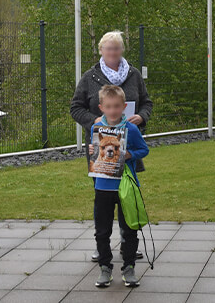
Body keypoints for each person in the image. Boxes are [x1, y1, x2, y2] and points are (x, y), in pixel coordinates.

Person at [70, 30, 153, 262]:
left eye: (116, 48)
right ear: (101, 51)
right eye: (108, 49)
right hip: (100, 152)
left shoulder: (134, 74)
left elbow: (147, 102)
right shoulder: (90, 77)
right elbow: (75, 107)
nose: (113, 53)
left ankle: (129, 245)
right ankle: (102, 245)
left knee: (127, 197)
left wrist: (142, 117)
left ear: (122, 50)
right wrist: (92, 120)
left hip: (127, 148)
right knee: (103, 202)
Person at [89, 85, 149, 289]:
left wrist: (129, 155)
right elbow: (95, 155)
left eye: (116, 106)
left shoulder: (130, 128)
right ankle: (105, 267)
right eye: (108, 107)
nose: (113, 111)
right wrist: (91, 149)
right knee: (102, 231)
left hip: (126, 187)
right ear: (101, 107)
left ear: (123, 107)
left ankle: (129, 267)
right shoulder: (96, 129)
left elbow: (144, 149)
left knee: (129, 228)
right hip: (103, 186)